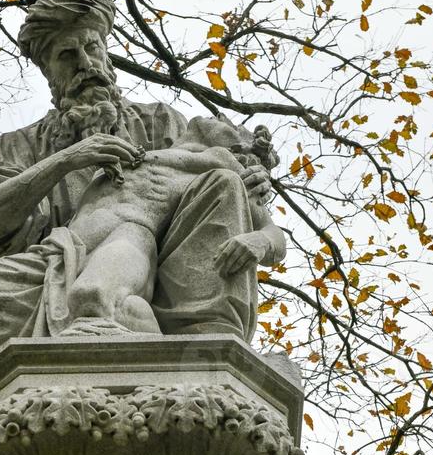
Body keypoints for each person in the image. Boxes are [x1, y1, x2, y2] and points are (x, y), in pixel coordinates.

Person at [0, 0, 279, 382]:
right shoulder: (22, 144)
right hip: (52, 263)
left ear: (106, 53)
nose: (86, 64)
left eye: (92, 48)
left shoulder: (161, 123)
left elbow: (226, 196)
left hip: (140, 258)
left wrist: (252, 190)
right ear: (49, 73)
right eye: (67, 56)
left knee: (96, 296)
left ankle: (139, 335)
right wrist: (69, 158)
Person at [59, 115, 285, 336]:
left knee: (92, 296)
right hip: (63, 246)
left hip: (130, 236)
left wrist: (260, 241)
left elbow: (273, 234)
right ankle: (141, 323)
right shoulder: (141, 150)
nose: (220, 116)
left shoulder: (229, 168)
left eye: (231, 127)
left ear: (239, 147)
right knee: (95, 300)